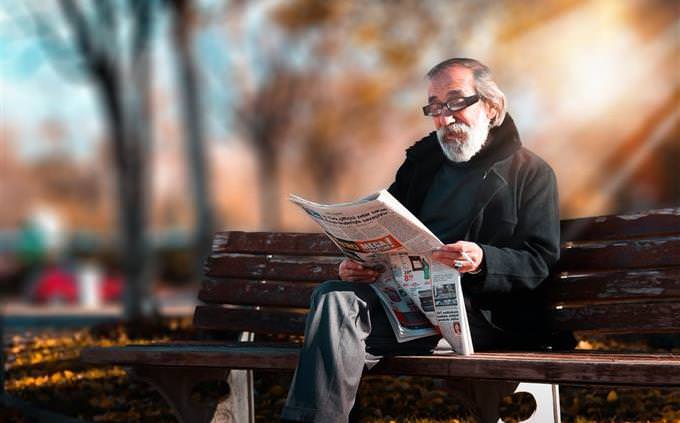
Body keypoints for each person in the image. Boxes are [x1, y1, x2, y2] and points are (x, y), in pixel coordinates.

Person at [281, 58, 566, 423]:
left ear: (491, 107)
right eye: (434, 106)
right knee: (335, 298)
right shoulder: (421, 167)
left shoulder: (531, 173)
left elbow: (539, 261)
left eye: (456, 102)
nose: (444, 117)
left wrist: (483, 260)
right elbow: (386, 226)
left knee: (340, 340)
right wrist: (360, 262)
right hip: (408, 306)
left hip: (482, 315)